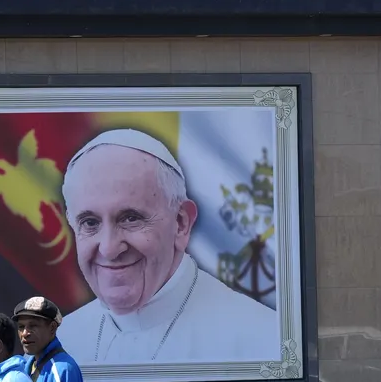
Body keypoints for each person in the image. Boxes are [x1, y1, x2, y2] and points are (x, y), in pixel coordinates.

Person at [57, 128, 281, 366]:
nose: (109, 249)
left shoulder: (262, 340)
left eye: (131, 218)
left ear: (181, 223)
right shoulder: (62, 342)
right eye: (90, 223)